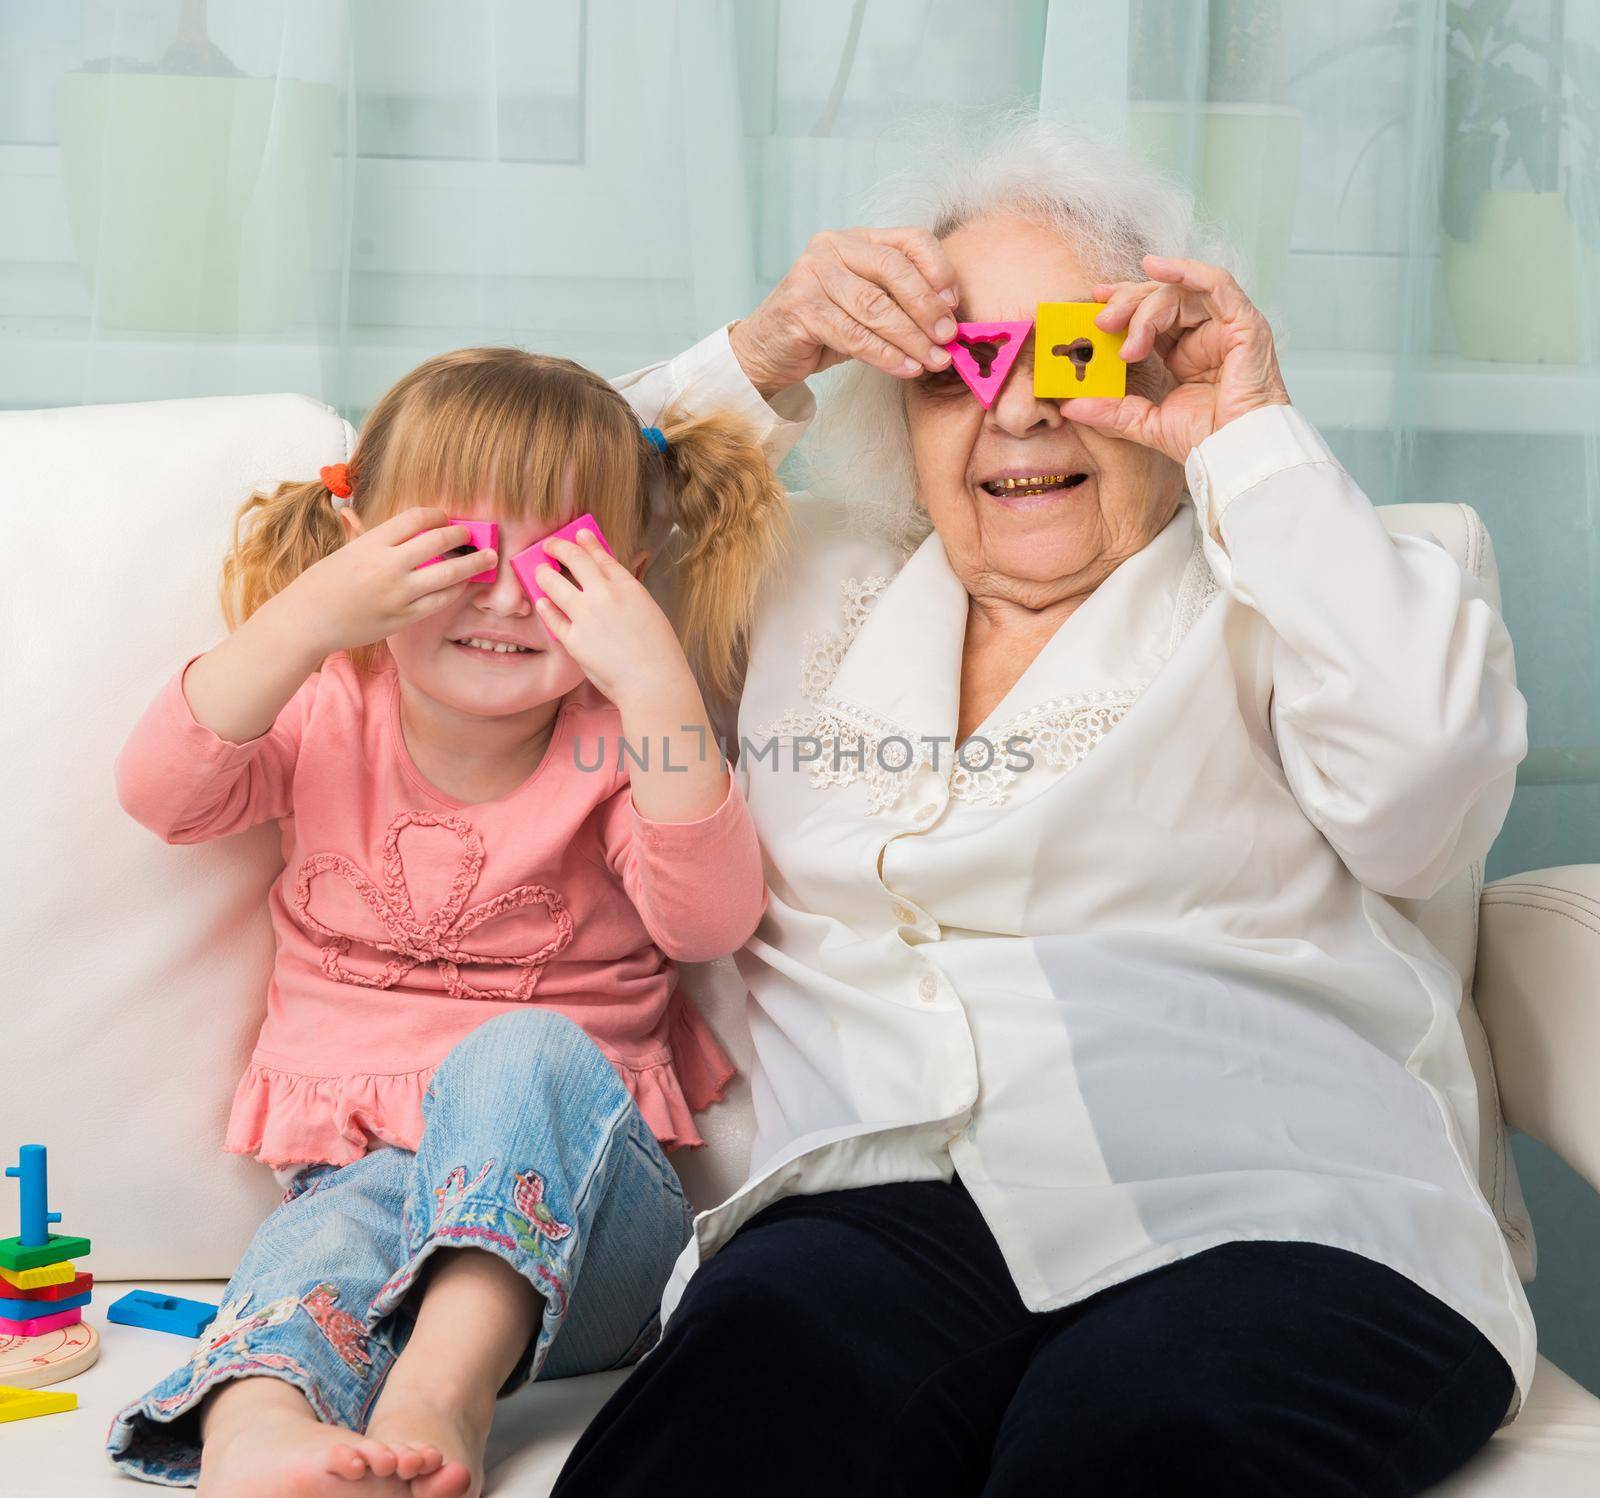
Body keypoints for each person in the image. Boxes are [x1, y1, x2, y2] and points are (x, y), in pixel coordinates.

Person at [553, 116, 1534, 1497]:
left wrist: (1244, 431)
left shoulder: (1286, 585)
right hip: (867, 1210)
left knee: (1134, 1445)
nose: (1016, 411)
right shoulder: (799, 576)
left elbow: (1431, 798)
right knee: (729, 1417)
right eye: (958, 369)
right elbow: (525, 540)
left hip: (1272, 1205)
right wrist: (759, 353)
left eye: (1071, 356)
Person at [105, 346, 786, 1497]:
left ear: (627, 569)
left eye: (560, 563)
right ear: (364, 542)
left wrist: (660, 686)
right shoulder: (328, 704)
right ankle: (260, 1426)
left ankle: (444, 1393)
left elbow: (709, 916)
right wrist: (310, 618)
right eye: (456, 553)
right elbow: (164, 795)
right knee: (326, 1233)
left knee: (518, 1051)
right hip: (364, 1197)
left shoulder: (619, 735)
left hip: (587, 1243)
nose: (509, 598)